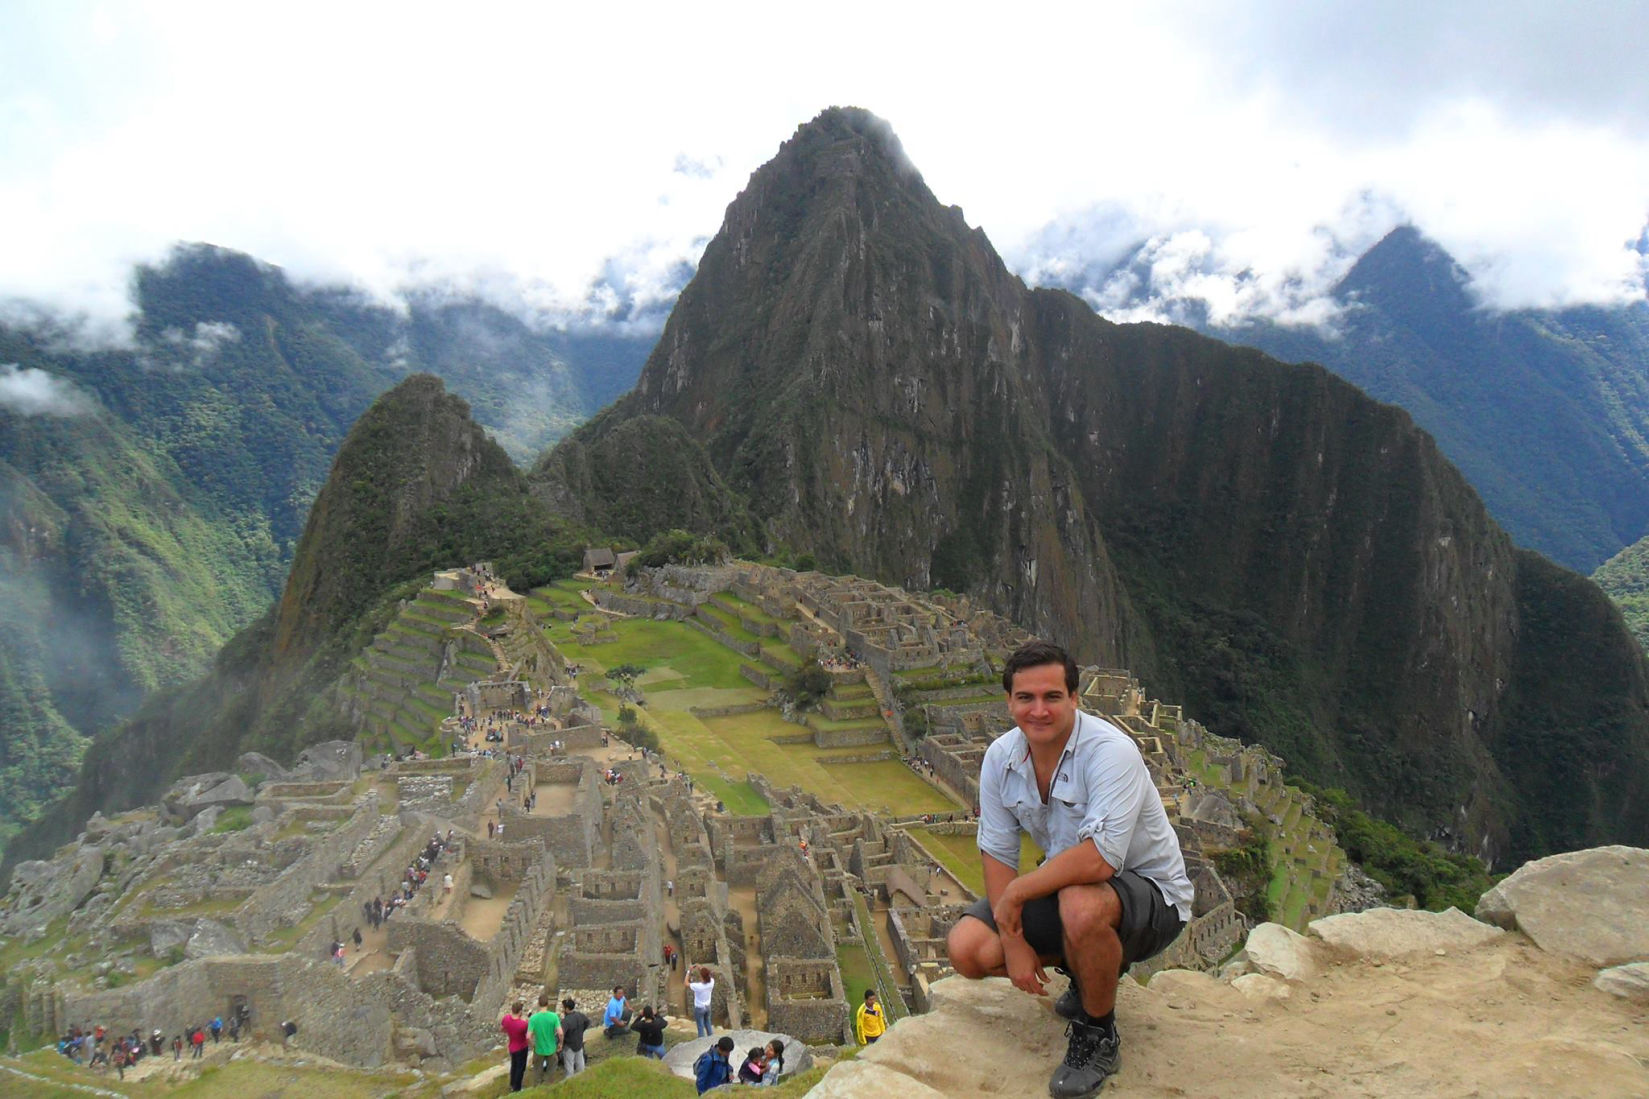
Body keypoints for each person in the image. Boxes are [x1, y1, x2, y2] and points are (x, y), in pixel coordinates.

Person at [945, 641, 1193, 1099]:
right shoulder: (1001, 758)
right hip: (1067, 887)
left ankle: (1098, 1034)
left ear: (1074, 698)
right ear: (1009, 702)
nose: (1038, 710)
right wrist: (1013, 940)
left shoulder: (1110, 753)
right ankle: (1089, 974)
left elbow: (1100, 859)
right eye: (1026, 698)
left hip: (1153, 899)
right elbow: (997, 852)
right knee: (968, 950)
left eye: (1052, 697)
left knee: (1080, 904)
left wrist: (1018, 896)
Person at [527, 994, 563, 1084]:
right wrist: (560, 1043)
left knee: (537, 1072)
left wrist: (532, 1046)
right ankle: (548, 1086)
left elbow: (528, 1036)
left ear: (539, 1004)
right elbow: (560, 1033)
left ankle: (537, 1087)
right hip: (551, 1049)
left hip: (539, 1049)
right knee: (551, 1071)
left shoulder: (533, 1018)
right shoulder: (554, 1016)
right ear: (548, 1004)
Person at [500, 1000, 530, 1092]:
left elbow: (502, 1029)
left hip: (512, 1047)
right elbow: (528, 1035)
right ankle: (517, 1088)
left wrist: (509, 1032)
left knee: (514, 1066)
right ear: (520, 1011)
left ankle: (512, 1084)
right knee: (520, 1068)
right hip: (522, 1047)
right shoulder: (523, 1024)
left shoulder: (506, 1018)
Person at [559, 998, 590, 1076]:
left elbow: (561, 1034)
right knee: (580, 1064)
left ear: (566, 1009)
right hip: (579, 1043)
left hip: (569, 1046)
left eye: (563, 1007)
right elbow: (587, 1022)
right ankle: (581, 1078)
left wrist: (560, 1044)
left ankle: (570, 1081)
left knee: (569, 1067)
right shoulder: (580, 1015)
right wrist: (581, 1031)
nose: (562, 1009)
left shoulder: (566, 1021)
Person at [687, 966, 715, 1037]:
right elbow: (709, 973)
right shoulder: (712, 982)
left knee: (700, 1026)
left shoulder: (698, 986)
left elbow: (686, 983)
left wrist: (688, 971)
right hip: (708, 1006)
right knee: (708, 1023)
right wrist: (701, 968)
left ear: (701, 977)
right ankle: (711, 1038)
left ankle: (701, 1041)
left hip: (699, 1008)